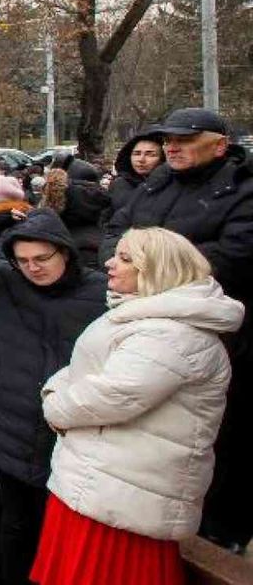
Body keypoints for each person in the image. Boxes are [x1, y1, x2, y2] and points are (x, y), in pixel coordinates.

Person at [33, 228, 245, 585]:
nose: (110, 263)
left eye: (127, 258)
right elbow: (85, 375)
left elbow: (109, 395)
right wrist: (61, 388)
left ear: (158, 270)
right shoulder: (148, 319)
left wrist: (54, 403)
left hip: (121, 496)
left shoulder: (169, 334)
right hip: (105, 484)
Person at [100, 108, 253, 553]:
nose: (172, 147)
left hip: (215, 336)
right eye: (169, 139)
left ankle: (220, 532)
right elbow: (116, 231)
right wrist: (123, 265)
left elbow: (233, 257)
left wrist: (144, 273)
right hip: (137, 320)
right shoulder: (158, 182)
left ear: (219, 145)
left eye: (184, 139)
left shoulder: (241, 191)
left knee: (218, 436)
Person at [0, 208, 106, 585]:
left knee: (60, 531)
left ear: (65, 251)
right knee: (14, 528)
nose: (34, 268)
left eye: (42, 258)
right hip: (9, 428)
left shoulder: (99, 293)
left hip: (70, 434)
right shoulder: (5, 281)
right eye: (23, 260)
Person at [108, 132, 163, 211]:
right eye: (136, 154)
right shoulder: (119, 185)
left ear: (162, 159)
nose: (141, 159)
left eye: (150, 154)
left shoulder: (171, 185)